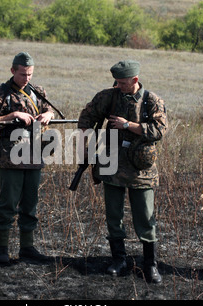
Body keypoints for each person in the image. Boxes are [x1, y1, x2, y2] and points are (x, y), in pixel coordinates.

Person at [77, 60, 167, 283]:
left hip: (140, 168)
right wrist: (85, 143)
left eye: (123, 82)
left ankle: (150, 264)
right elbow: (86, 117)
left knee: (145, 217)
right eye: (116, 81)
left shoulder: (151, 100)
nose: (118, 85)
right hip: (111, 164)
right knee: (113, 216)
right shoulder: (108, 96)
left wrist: (129, 125)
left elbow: (160, 130)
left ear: (135, 80)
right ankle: (119, 260)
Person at [0, 52, 54, 264]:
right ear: (13, 71)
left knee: (30, 205)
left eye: (30, 74)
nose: (27, 78)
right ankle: (2, 250)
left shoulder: (38, 92)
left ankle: (27, 248)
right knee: (8, 204)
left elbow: (49, 109)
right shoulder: (0, 93)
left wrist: (48, 116)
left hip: (34, 155)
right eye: (23, 74)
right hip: (10, 158)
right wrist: (13, 116)